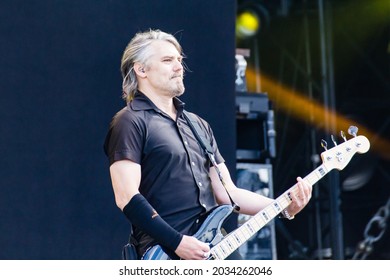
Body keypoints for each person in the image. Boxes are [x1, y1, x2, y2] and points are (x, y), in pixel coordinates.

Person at [104, 29, 312, 260]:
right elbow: (126, 196)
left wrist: (282, 207)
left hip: (212, 247)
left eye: (179, 60)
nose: (178, 67)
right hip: (164, 252)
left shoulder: (198, 125)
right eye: (167, 60)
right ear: (141, 69)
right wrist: (177, 242)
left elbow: (227, 193)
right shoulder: (129, 121)